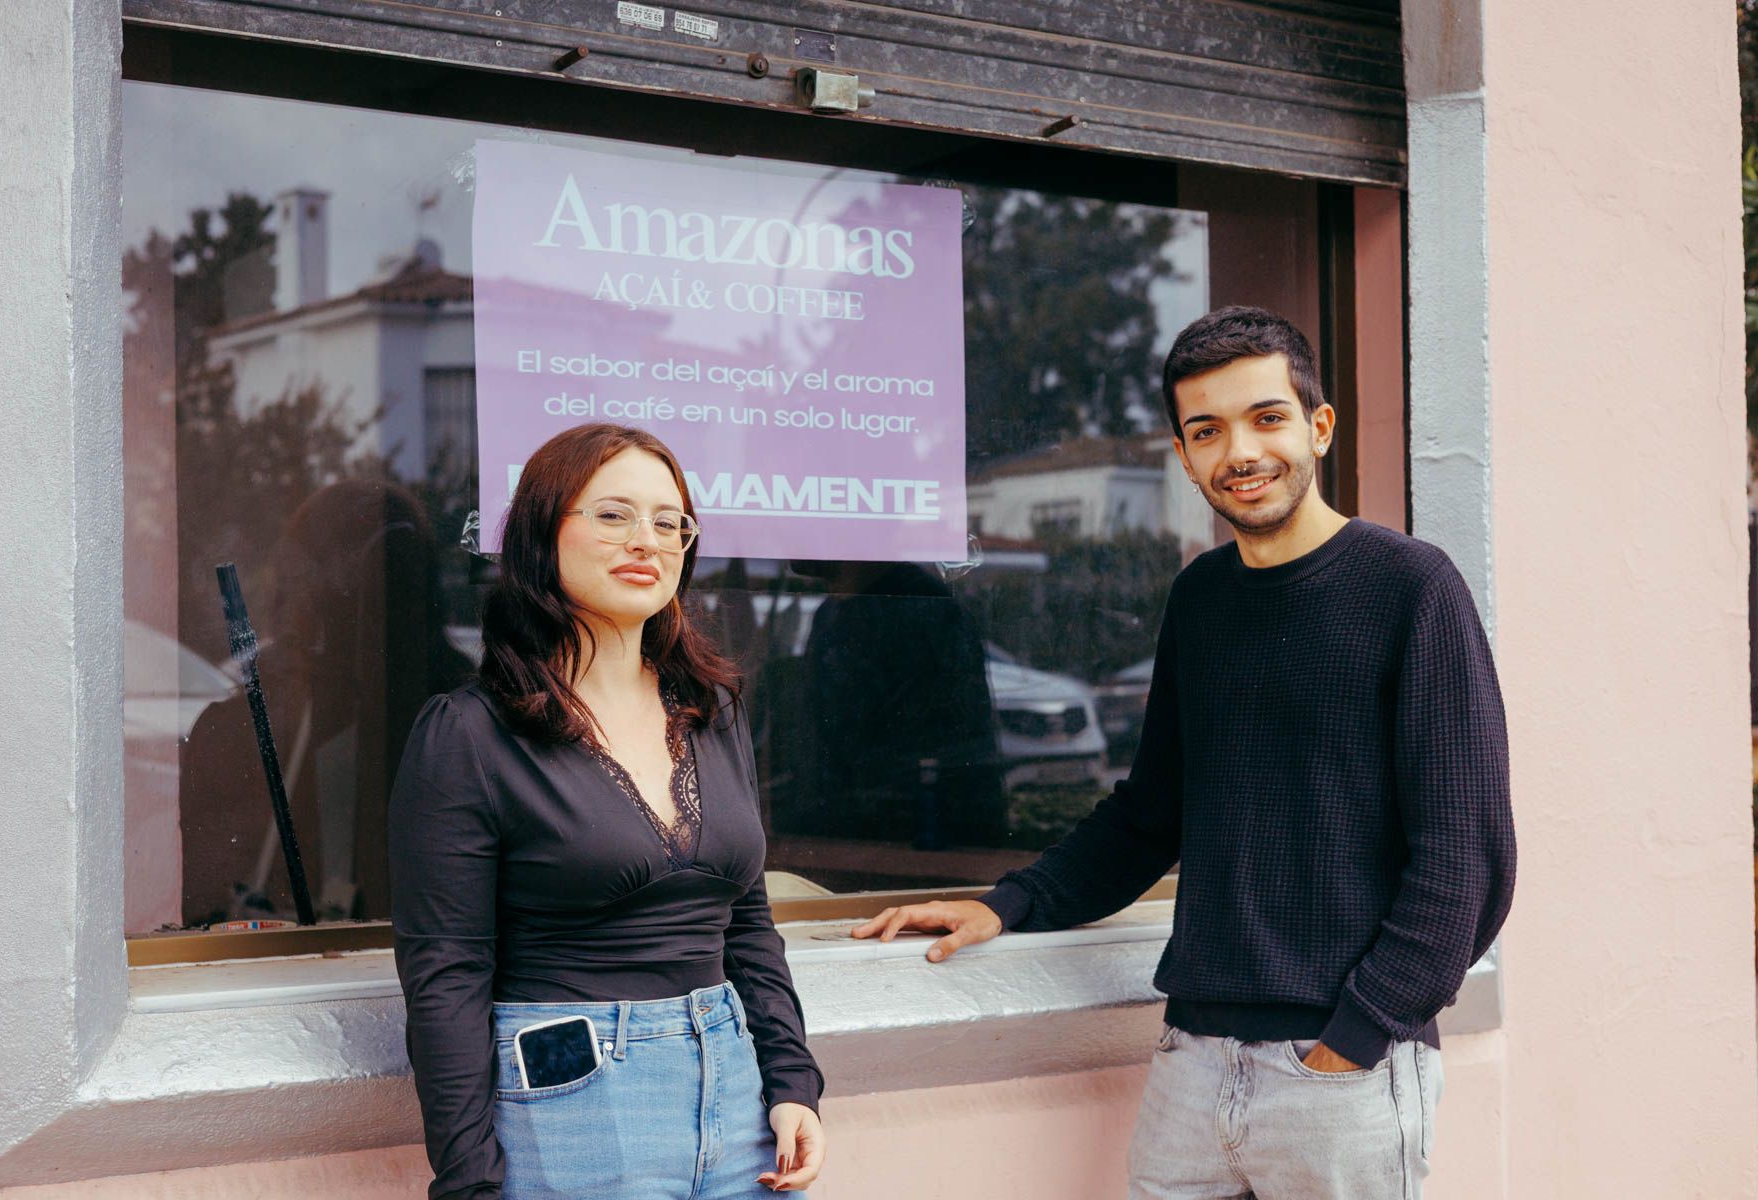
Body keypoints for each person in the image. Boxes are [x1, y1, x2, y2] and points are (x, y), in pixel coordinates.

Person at [853, 306, 1515, 1200]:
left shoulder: (1410, 587)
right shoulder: (1202, 597)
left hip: (1343, 1069)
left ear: (1319, 426)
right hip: (1194, 1059)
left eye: (1266, 418)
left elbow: (1463, 854)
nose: (1240, 451)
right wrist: (1006, 906)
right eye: (1208, 430)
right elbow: (1149, 813)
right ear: (1184, 454)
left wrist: (1359, 1035)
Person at [390, 423, 826, 1199]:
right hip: (571, 1107)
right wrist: (470, 1182)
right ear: (539, 534)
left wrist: (793, 1082)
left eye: (670, 523)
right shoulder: (468, 733)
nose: (647, 542)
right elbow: (446, 977)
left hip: (737, 1097)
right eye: (614, 514)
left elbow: (748, 922)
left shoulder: (711, 711)